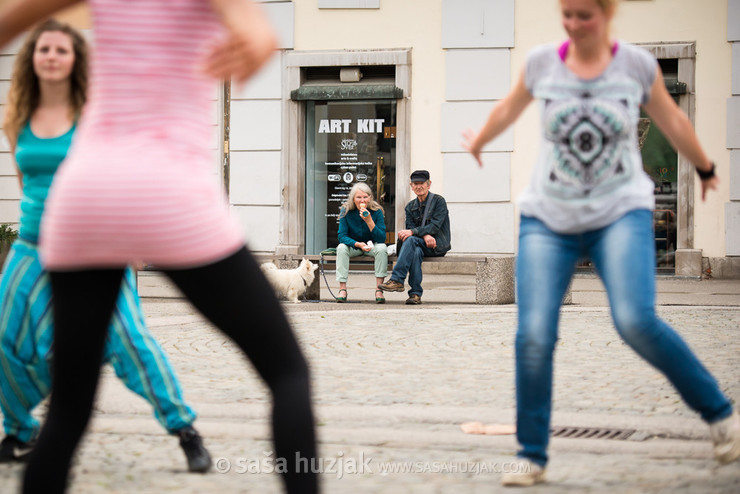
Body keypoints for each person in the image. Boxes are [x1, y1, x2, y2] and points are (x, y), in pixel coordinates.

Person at [0, 1, 317, 493]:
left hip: (84, 197)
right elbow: (257, 34)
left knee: (69, 408)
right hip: (169, 192)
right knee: (287, 372)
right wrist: (254, 46)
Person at [462, 0, 740, 487]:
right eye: (566, 13)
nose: (573, 24)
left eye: (584, 14)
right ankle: (532, 453)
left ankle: (721, 419)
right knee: (533, 336)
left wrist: (706, 166)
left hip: (620, 213)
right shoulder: (542, 62)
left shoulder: (636, 65)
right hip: (548, 217)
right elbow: (509, 107)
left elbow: (672, 120)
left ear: (607, 12)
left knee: (635, 319)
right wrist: (479, 140)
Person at [0, 18, 211, 473]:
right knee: (6, 338)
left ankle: (184, 430)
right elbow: (27, 183)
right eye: (44, 49)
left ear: (74, 60)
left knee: (131, 342)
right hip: (33, 246)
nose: (52, 56)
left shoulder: (94, 116)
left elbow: (121, 175)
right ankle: (19, 428)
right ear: (32, 58)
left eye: (61, 49)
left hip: (92, 245)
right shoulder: (16, 115)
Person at [378, 170, 451, 305]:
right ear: (411, 186)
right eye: (415, 184)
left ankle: (397, 279)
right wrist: (424, 234)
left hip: (437, 245)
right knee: (415, 250)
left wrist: (416, 232)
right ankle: (415, 294)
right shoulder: (410, 207)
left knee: (411, 239)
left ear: (429, 184)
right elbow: (411, 228)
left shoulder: (439, 201)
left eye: (422, 183)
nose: (419, 186)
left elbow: (436, 225)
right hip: (419, 244)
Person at [335, 182, 388, 303]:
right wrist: (357, 244)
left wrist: (369, 221)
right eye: (358, 197)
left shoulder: (377, 211)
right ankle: (342, 289)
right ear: (353, 198)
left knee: (382, 248)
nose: (362, 200)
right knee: (341, 248)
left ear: (370, 198)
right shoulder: (346, 210)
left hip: (371, 246)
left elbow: (381, 238)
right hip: (354, 246)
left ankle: (379, 289)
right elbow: (342, 236)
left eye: (365, 197)